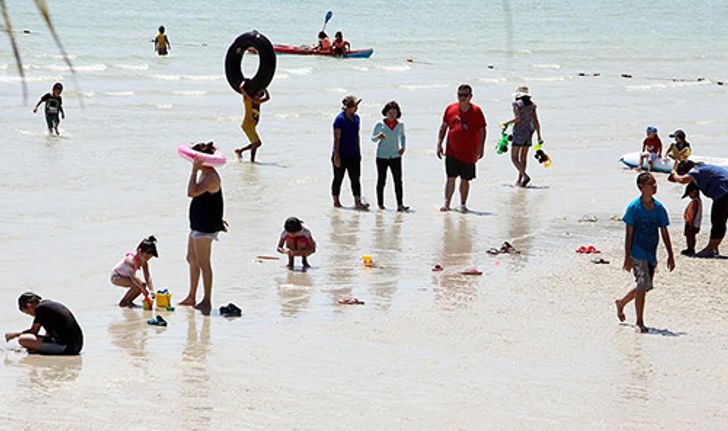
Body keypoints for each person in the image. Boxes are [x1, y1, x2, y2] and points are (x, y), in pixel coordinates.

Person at [615, 172, 675, 333]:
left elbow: (664, 231)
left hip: (651, 252)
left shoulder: (659, 208)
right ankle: (639, 322)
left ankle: (621, 302)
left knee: (645, 286)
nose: (655, 186)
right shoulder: (634, 208)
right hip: (637, 251)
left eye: (655, 183)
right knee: (642, 284)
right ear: (642, 187)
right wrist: (627, 256)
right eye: (651, 183)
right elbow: (629, 234)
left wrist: (671, 254)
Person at [179, 142, 228, 316]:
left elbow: (191, 192)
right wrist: (220, 220)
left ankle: (207, 300)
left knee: (204, 263)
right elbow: (213, 201)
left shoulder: (210, 176)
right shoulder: (205, 173)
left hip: (205, 227)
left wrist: (193, 171)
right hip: (198, 224)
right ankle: (191, 296)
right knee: (191, 258)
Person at [436, 84, 487, 212]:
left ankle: (463, 204)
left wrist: (481, 148)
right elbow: (443, 127)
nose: (462, 98)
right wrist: (439, 144)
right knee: (450, 178)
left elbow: (482, 130)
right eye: (460, 95)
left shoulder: (477, 111)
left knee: (465, 180)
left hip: (469, 152)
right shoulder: (450, 109)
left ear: (470, 96)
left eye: (465, 95)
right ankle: (447, 203)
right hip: (451, 151)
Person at [669, 160, 728, 257]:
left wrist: (674, 173)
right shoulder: (702, 169)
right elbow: (672, 179)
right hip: (723, 192)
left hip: (724, 193)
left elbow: (682, 180)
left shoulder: (696, 170)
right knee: (720, 220)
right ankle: (714, 247)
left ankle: (710, 249)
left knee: (718, 220)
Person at [4, 292, 83, 355]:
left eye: (29, 313)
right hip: (77, 346)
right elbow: (49, 332)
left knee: (23, 339)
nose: (32, 315)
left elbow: (33, 332)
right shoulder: (48, 305)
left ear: (29, 306)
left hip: (66, 348)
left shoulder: (40, 309)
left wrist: (14, 335)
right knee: (31, 342)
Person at [332, 95, 369, 210]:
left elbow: (357, 136)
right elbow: (337, 138)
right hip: (341, 154)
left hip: (354, 154)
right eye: (354, 106)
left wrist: (359, 151)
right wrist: (336, 156)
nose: (356, 108)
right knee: (338, 178)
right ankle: (336, 201)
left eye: (356, 106)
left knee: (355, 179)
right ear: (347, 107)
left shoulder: (357, 118)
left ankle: (358, 202)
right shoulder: (340, 119)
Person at [500, 85, 541, 186]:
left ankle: (524, 176)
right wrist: (539, 135)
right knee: (523, 157)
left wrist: (506, 123)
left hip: (519, 132)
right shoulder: (532, 105)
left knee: (514, 157)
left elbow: (518, 118)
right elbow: (536, 121)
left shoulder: (516, 104)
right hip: (529, 131)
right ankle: (520, 180)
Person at [371, 100, 408, 211]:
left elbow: (402, 137)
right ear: (386, 112)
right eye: (390, 112)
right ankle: (380, 205)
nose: (392, 115)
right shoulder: (379, 124)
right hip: (382, 156)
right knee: (381, 180)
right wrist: (378, 136)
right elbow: (373, 139)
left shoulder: (400, 125)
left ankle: (400, 204)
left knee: (398, 180)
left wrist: (403, 147)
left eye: (394, 112)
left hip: (395, 155)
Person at [110, 236, 159, 307]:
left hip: (127, 276)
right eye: (146, 257)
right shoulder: (130, 261)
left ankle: (129, 301)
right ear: (139, 251)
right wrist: (143, 289)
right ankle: (123, 302)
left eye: (149, 258)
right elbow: (133, 278)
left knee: (142, 285)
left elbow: (147, 276)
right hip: (116, 276)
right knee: (139, 285)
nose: (147, 259)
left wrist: (151, 291)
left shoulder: (144, 262)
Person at [234, 81, 270, 163]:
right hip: (248, 125)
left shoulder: (258, 102)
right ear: (254, 95)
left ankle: (246, 155)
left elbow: (268, 98)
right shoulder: (249, 101)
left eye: (260, 96)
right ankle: (246, 155)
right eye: (257, 95)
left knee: (256, 143)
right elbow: (241, 89)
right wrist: (244, 82)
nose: (258, 97)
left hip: (251, 126)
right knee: (257, 143)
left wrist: (265, 89)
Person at [681, 182, 702, 256]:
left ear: (694, 192)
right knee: (691, 236)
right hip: (694, 223)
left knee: (690, 236)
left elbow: (692, 213)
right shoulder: (698, 201)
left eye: (689, 193)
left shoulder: (695, 202)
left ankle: (690, 248)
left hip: (692, 223)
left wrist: (690, 223)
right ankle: (690, 248)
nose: (689, 196)